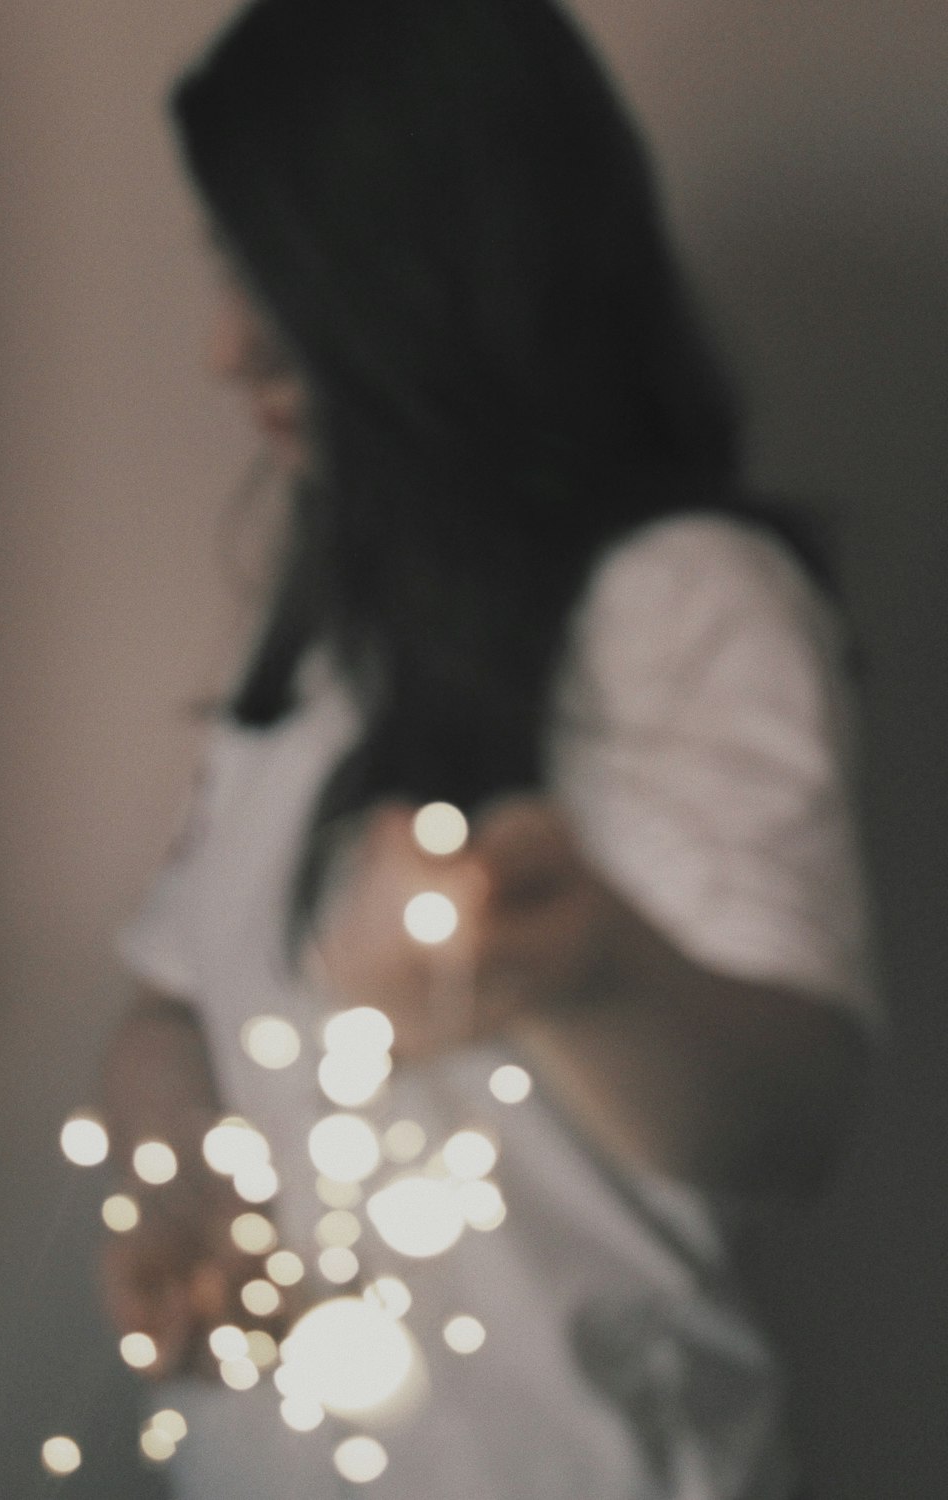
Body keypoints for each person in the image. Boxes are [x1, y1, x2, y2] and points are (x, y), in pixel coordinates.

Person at [102, 1, 877, 1496]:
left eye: (284, 275)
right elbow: (164, 1007)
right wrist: (182, 1180)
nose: (225, 344)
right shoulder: (327, 622)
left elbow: (792, 1119)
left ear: (443, 269)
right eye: (227, 264)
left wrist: (581, 969)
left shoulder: (682, 605)